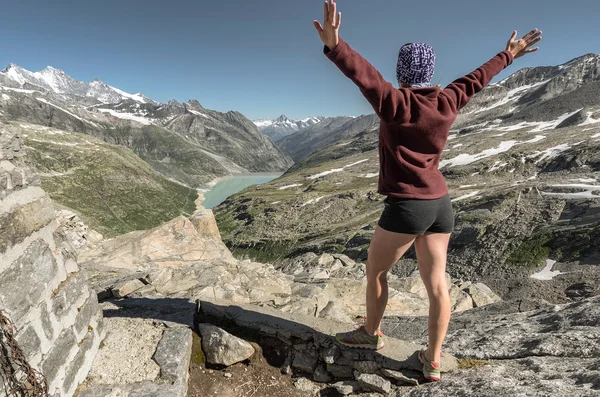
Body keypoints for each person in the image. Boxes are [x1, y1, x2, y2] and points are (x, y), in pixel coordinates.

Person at [313, 0, 542, 382]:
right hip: (440, 205)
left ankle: (370, 335)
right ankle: (432, 360)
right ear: (431, 73)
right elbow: (476, 78)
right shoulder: (447, 100)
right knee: (437, 285)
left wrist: (337, 46)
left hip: (408, 206)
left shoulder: (395, 102)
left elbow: (364, 75)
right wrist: (507, 55)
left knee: (375, 272)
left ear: (402, 73)